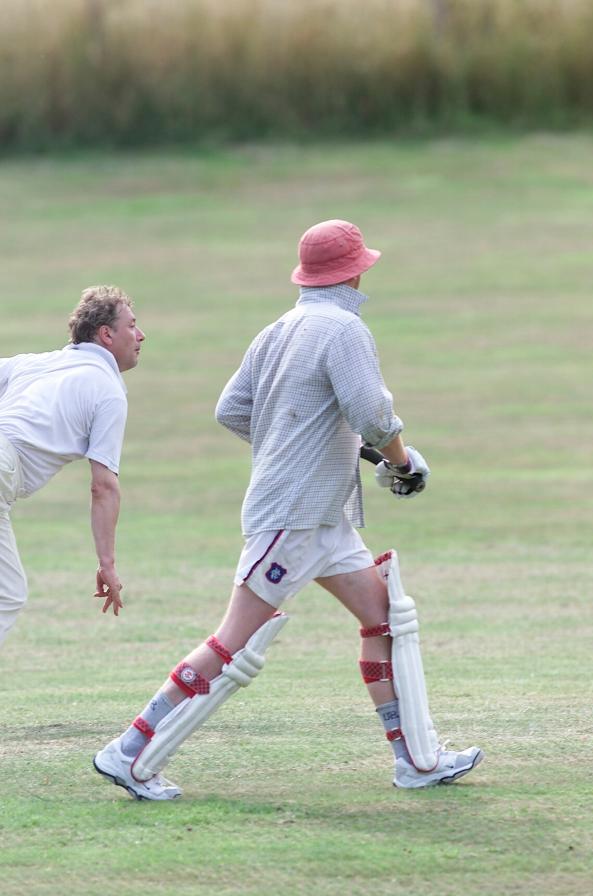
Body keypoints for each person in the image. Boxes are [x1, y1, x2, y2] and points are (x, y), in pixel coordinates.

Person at [94, 220, 483, 801]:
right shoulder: (344, 328)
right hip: (294, 515)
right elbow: (373, 414)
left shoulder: (277, 329)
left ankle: (414, 761)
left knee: (386, 621)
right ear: (354, 271)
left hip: (326, 517)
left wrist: (295, 443)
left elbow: (232, 409)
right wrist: (401, 464)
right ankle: (128, 749)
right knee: (232, 643)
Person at [0, 285, 145, 647]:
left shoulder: (34, 363)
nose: (141, 335)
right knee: (7, 595)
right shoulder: (107, 389)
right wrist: (107, 564)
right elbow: (103, 487)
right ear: (106, 334)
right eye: (132, 325)